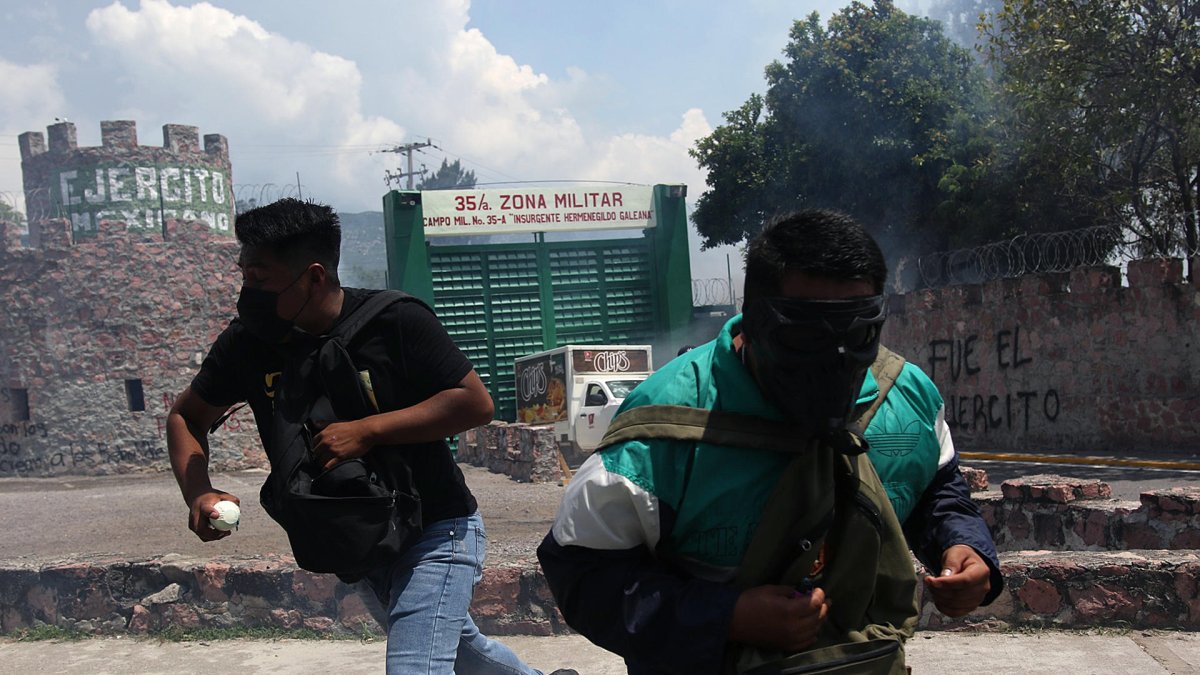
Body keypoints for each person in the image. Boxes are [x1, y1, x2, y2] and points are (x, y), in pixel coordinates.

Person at [166, 199, 571, 675]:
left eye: (259, 277)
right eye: (245, 275)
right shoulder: (247, 345)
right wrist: (199, 489)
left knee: (415, 667)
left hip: (435, 528)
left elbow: (474, 402)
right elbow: (187, 417)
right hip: (356, 539)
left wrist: (368, 431)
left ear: (314, 277)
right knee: (462, 651)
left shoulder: (394, 321)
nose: (246, 291)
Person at [538, 210, 919, 675]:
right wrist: (726, 615)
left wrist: (964, 546)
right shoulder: (664, 429)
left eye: (856, 332)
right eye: (803, 334)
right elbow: (582, 574)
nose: (832, 358)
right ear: (755, 322)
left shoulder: (903, 394)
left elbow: (937, 485)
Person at [857, 350, 1004, 617]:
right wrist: (753, 615)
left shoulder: (910, 387)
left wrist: (963, 546)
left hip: (872, 641)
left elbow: (939, 493)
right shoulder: (755, 382)